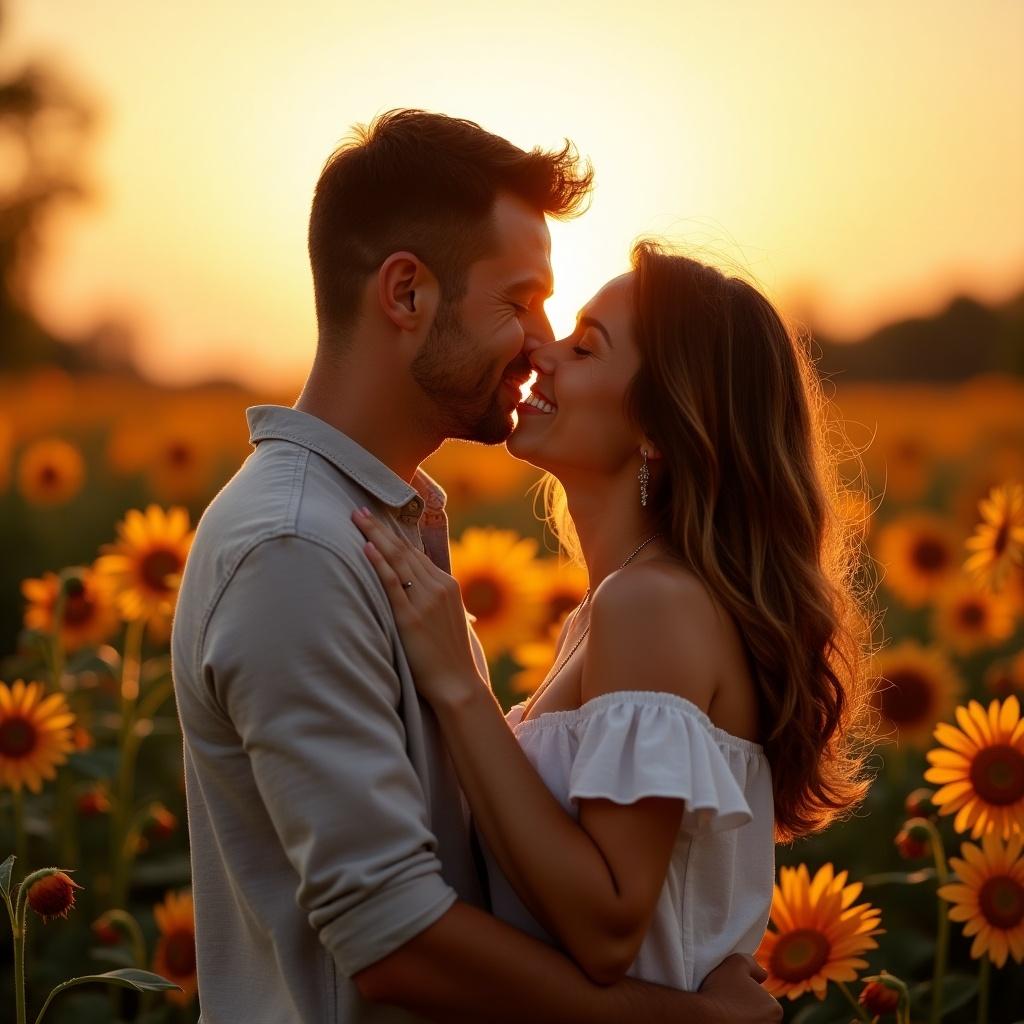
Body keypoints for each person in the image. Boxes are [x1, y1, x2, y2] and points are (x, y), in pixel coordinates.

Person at [171, 109, 781, 1023]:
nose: (538, 343)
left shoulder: (385, 529)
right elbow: (395, 934)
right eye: (520, 301)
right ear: (407, 294)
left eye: (569, 329)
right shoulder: (295, 549)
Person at [352, 241, 876, 992]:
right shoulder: (615, 610)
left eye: (585, 347)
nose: (542, 352)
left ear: (661, 428)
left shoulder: (652, 605)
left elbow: (607, 929)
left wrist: (459, 688)